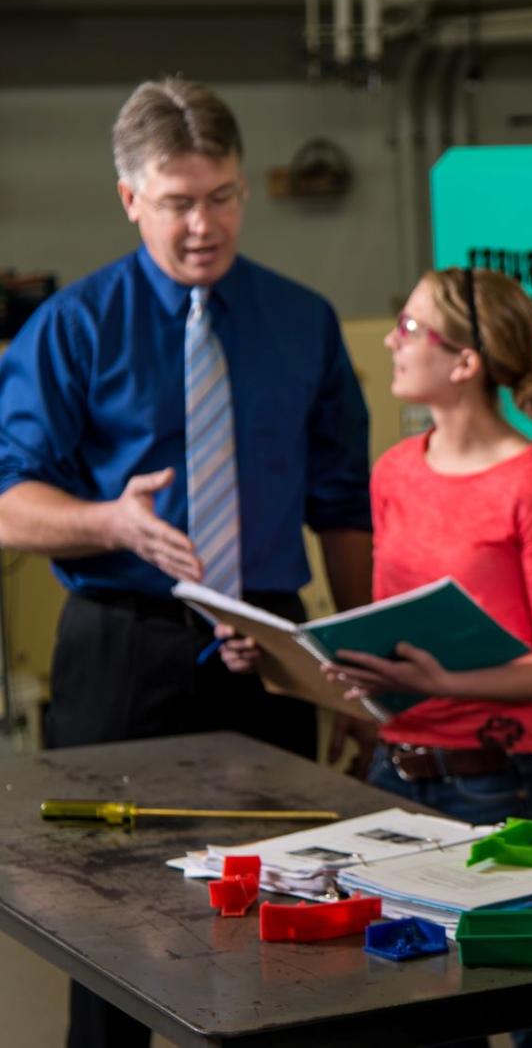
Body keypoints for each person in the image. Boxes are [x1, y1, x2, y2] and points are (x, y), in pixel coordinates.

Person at [0, 77, 373, 1048]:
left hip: (274, 640)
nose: (203, 225)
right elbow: (9, 506)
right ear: (131, 199)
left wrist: (356, 668)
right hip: (124, 645)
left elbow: (342, 505)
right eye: (178, 203)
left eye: (222, 197)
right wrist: (109, 524)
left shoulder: (303, 322)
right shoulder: (75, 329)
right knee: (109, 920)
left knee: (292, 915)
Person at [322, 267, 532, 1048]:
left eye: (408, 329)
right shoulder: (394, 472)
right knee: (421, 1012)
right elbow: (386, 633)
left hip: (504, 784)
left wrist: (449, 681)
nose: (390, 341)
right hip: (396, 777)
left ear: (465, 362)